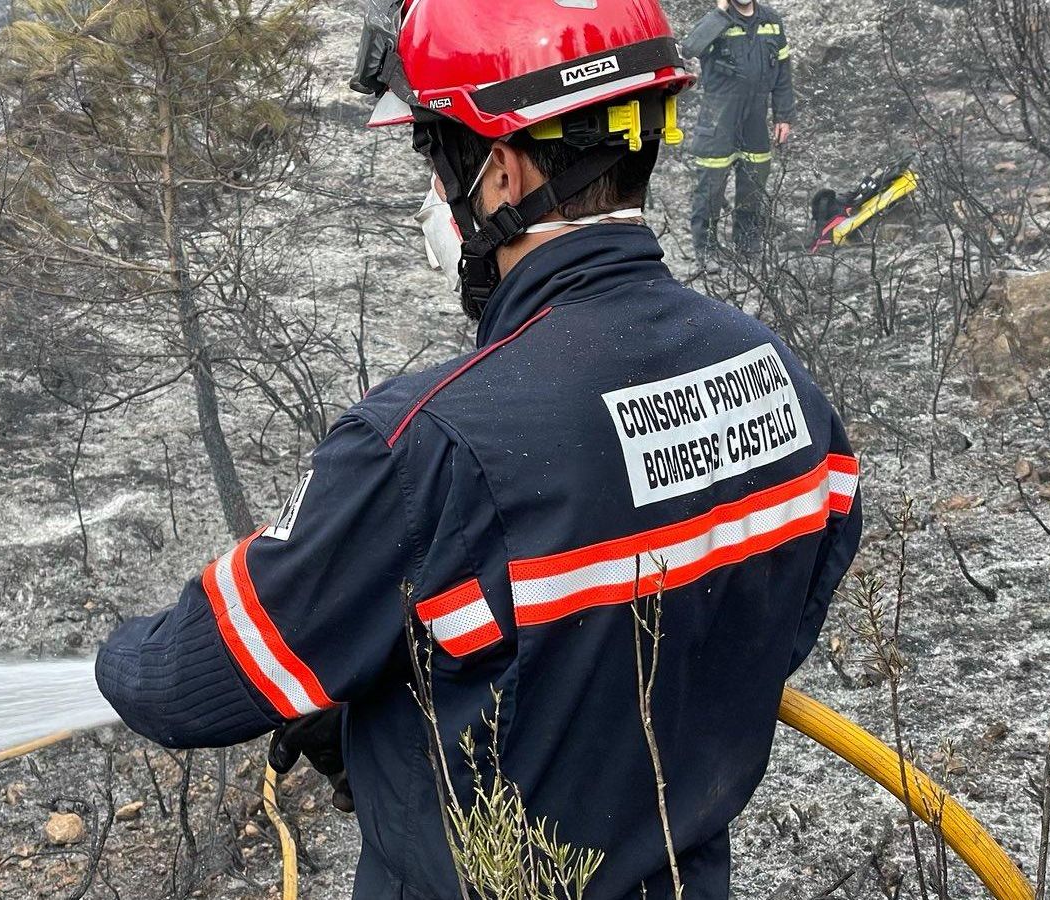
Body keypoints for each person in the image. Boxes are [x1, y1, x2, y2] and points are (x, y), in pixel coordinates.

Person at [96, 2, 861, 898]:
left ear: (498, 171)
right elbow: (726, 634)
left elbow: (190, 683)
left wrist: (110, 661)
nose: (435, 190)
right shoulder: (779, 379)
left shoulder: (429, 444)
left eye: (436, 156)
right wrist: (394, 702)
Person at [682, 0, 796, 263]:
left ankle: (747, 244)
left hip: (756, 115)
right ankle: (706, 249)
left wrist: (783, 116)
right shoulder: (717, 20)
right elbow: (690, 48)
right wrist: (720, 12)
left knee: (754, 181)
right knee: (711, 184)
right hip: (719, 115)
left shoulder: (771, 21)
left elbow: (783, 74)